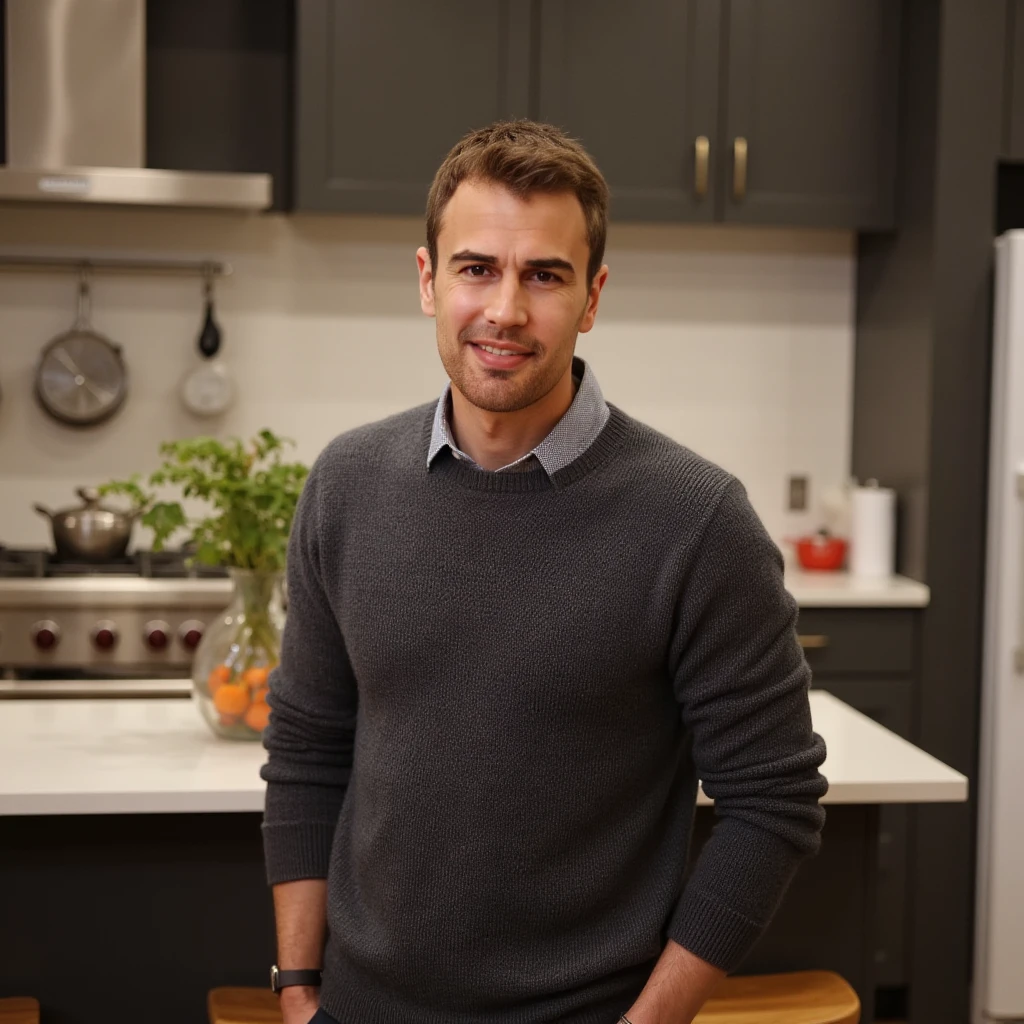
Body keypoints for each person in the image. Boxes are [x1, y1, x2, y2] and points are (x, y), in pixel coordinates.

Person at [260, 120, 828, 1024]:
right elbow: (305, 748)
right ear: (427, 279)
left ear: (593, 295)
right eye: (476, 268)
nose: (506, 310)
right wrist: (297, 991)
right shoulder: (347, 483)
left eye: (545, 276)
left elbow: (775, 799)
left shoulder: (696, 519)